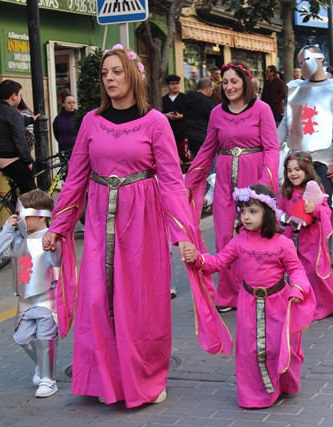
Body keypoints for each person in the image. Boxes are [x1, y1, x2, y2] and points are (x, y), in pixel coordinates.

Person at [42, 44, 231, 408]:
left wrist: (184, 236)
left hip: (142, 223)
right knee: (96, 299)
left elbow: (173, 182)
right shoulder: (91, 123)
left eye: (116, 71)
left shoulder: (155, 123)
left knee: (140, 304)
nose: (109, 78)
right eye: (104, 74)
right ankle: (105, 379)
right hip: (99, 222)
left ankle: (146, 376)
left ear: (132, 76)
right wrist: (58, 225)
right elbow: (75, 179)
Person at [183, 184, 315, 408]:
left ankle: (282, 383)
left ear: (268, 213)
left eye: (252, 211)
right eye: (243, 211)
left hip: (278, 303)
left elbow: (296, 269)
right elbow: (218, 262)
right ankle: (255, 394)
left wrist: (298, 287)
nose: (245, 216)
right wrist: (197, 258)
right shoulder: (239, 241)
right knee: (249, 351)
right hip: (248, 304)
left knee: (276, 347)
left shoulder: (283, 243)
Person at [185, 61, 280, 312]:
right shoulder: (217, 112)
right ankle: (228, 295)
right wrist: (188, 183)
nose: (229, 86)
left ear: (245, 82)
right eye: (225, 82)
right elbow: (207, 149)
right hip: (225, 181)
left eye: (234, 81)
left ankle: (258, 287)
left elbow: (271, 147)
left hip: (254, 178)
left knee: (253, 235)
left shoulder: (262, 109)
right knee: (225, 236)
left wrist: (264, 185)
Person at [0, 190, 60, 398]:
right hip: (25, 301)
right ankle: (42, 367)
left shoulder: (51, 239)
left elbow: (59, 263)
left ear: (40, 215)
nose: (19, 218)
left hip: (47, 300)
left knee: (45, 337)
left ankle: (48, 380)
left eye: (24, 214)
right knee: (21, 337)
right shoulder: (18, 239)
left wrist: (55, 245)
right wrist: (7, 227)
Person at [278, 45, 333, 201]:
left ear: (321, 58)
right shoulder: (295, 87)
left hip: (325, 161)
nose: (304, 64)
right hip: (297, 161)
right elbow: (287, 122)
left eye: (307, 58)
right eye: (301, 61)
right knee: (294, 210)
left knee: (322, 209)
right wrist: (273, 147)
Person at [278, 153, 333, 320]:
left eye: (297, 169)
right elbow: (279, 210)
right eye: (289, 170)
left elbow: (326, 210)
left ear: (307, 170)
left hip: (312, 238)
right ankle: (302, 304)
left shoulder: (314, 189)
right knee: (296, 271)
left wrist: (313, 208)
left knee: (314, 271)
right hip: (292, 238)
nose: (293, 174)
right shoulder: (287, 191)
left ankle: (324, 305)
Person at [0, 79, 36, 194]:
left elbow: (8, 124)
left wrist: (30, 119)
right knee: (30, 190)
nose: (20, 97)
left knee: (19, 185)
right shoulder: (12, 113)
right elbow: (20, 140)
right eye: (19, 94)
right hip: (9, 157)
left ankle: (15, 203)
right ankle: (26, 210)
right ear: (14, 96)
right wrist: (28, 161)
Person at [161, 74, 191, 164]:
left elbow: (191, 113)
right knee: (170, 159)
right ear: (168, 85)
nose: (175, 86)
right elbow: (158, 114)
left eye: (177, 83)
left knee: (187, 158)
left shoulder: (185, 98)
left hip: (183, 133)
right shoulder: (163, 100)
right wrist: (166, 115)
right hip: (168, 133)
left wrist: (181, 116)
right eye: (172, 84)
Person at [184, 76, 215, 157]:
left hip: (190, 139)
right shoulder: (207, 103)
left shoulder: (186, 99)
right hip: (205, 139)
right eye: (212, 89)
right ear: (207, 88)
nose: (212, 92)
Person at [52, 90, 77, 158]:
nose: (72, 105)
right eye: (69, 103)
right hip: (64, 151)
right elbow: (56, 134)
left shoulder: (79, 116)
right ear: (63, 104)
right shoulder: (58, 119)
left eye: (73, 102)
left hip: (77, 150)